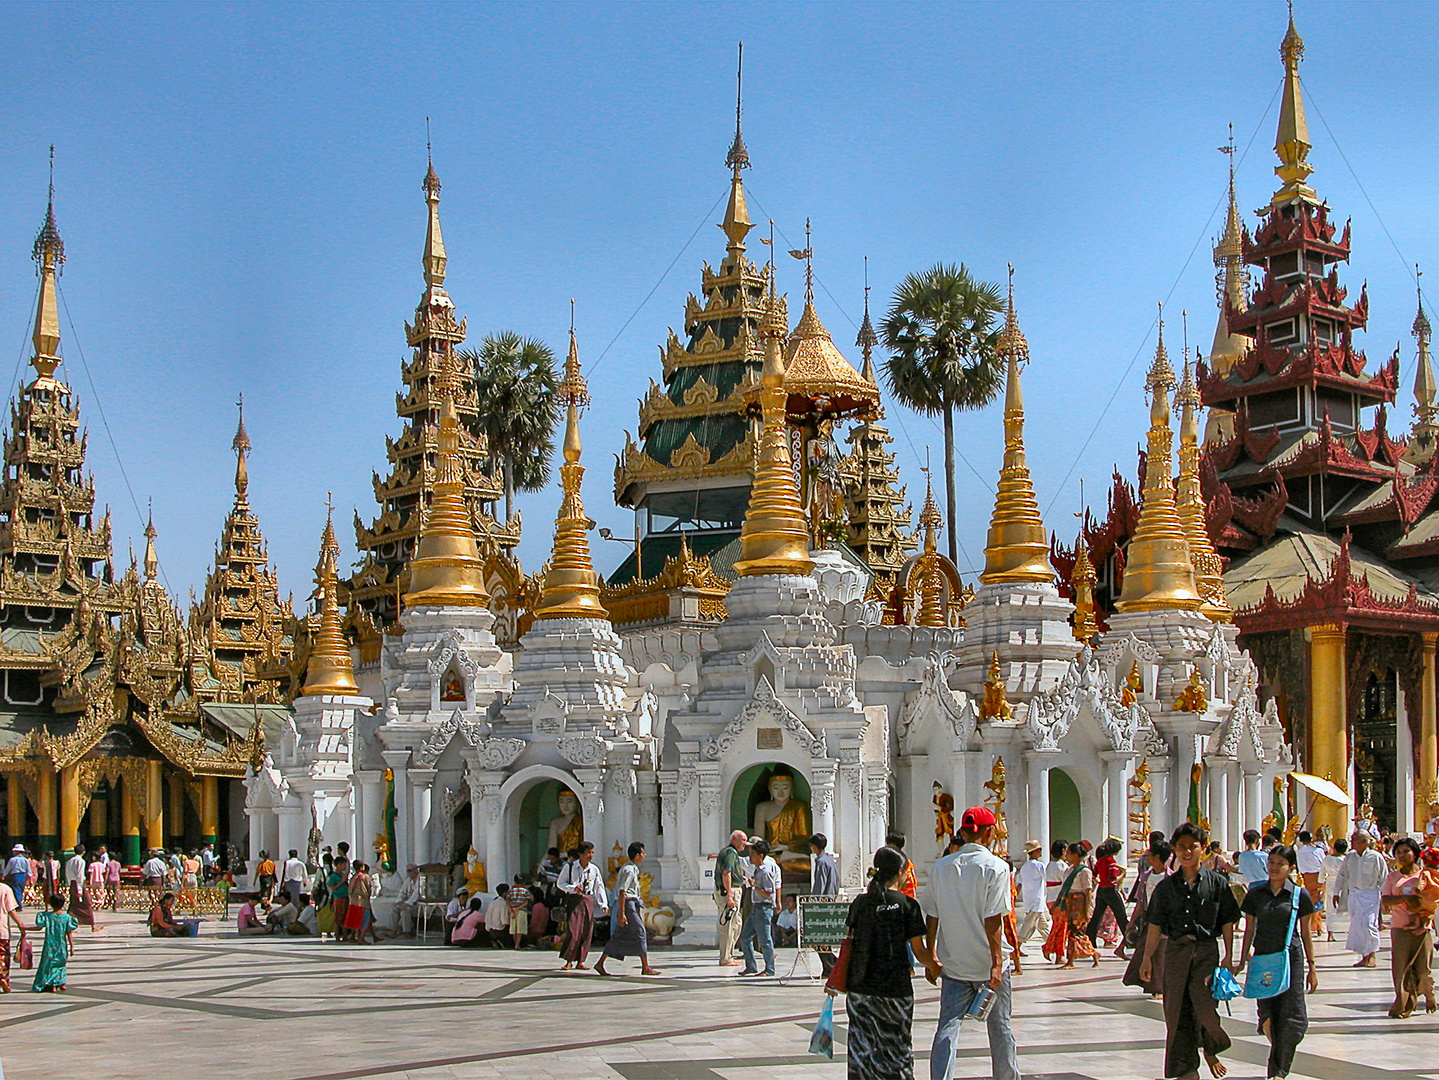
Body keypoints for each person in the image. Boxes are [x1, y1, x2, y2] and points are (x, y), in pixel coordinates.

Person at [1140, 822, 1240, 1080]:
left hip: (1205, 951)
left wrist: (1230, 955)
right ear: (1174, 849)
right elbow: (1155, 925)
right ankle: (1186, 1069)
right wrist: (1147, 958)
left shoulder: (1217, 883)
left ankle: (1211, 1045)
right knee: (1177, 1011)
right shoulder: (1166, 888)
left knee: (1205, 1004)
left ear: (1203, 849)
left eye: (1192, 847)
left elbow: (1228, 920)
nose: (1187, 852)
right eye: (1181, 847)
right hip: (1176, 951)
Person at [925, 805, 1018, 1080]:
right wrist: (997, 963)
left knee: (947, 1027)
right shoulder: (997, 868)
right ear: (989, 832)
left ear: (963, 832)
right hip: (988, 965)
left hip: (954, 963)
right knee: (1000, 1028)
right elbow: (993, 920)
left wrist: (931, 957)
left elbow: (932, 915)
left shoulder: (941, 868)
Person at [835, 846, 941, 1080]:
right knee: (896, 1049)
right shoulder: (907, 905)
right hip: (894, 990)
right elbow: (918, 950)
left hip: (860, 989)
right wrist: (935, 966)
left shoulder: (860, 903)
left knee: (862, 1050)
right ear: (901, 872)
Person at [1236, 844, 1317, 1080]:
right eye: (1271, 862)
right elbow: (1249, 929)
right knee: (1268, 1016)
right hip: (1263, 958)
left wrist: (1312, 966)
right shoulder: (1256, 893)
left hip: (1290, 957)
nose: (1274, 867)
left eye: (1280, 864)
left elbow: (1307, 933)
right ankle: (1277, 1063)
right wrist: (1242, 960)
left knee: (1291, 1016)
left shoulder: (1299, 895)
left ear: (1290, 867)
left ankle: (1278, 1071)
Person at [1380, 836, 1438, 1018]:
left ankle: (1429, 995)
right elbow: (1386, 899)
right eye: (1398, 852)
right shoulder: (1392, 877)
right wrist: (1405, 899)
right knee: (1401, 967)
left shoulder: (1424, 875)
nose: (1401, 855)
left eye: (1406, 852)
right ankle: (1404, 1004)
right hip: (1400, 927)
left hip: (1422, 928)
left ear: (1415, 854)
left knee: (1422, 968)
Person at [597, 842, 659, 976]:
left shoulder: (632, 868)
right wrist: (622, 913)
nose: (644, 856)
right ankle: (645, 966)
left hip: (631, 904)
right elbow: (622, 891)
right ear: (637, 856)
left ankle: (600, 963)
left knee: (620, 934)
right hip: (628, 904)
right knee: (641, 932)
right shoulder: (629, 870)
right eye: (642, 853)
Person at [1123, 841, 1172, 995]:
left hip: (1166, 922)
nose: (1147, 858)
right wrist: (1132, 921)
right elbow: (1140, 900)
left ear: (1157, 857)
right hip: (1149, 919)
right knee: (1146, 952)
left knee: (1160, 954)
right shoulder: (1146, 876)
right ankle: (1147, 983)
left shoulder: (1171, 877)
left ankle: (1159, 988)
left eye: (1149, 855)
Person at [1336, 829, 1388, 968]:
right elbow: (1342, 875)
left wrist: (1386, 897)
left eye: (1355, 840)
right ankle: (1364, 955)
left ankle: (1372, 955)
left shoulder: (1376, 857)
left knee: (1369, 924)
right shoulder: (1350, 857)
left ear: (1364, 842)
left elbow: (1384, 878)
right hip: (1354, 895)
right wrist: (1337, 892)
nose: (1352, 842)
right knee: (1358, 926)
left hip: (1370, 895)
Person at [1042, 842, 1098, 969]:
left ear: (1076, 855)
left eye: (1069, 854)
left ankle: (1072, 960)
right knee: (1072, 932)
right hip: (1069, 902)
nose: (1067, 856)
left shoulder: (1084, 871)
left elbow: (1087, 892)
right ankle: (1091, 954)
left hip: (1079, 902)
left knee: (1075, 932)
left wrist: (1087, 909)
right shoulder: (1069, 870)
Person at [556, 841, 606, 970]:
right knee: (574, 930)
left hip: (587, 899)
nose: (590, 855)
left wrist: (603, 904)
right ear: (580, 854)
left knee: (586, 931)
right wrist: (573, 888)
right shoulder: (570, 867)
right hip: (574, 899)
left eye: (592, 852)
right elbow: (560, 883)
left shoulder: (594, 869)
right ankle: (569, 959)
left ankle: (581, 960)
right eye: (587, 853)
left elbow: (598, 886)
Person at [739, 838, 780, 977]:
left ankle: (770, 969)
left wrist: (755, 886)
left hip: (764, 908)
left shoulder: (766, 871)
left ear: (760, 856)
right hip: (756, 907)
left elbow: (769, 892)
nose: (750, 856)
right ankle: (751, 966)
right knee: (745, 937)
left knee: (765, 939)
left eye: (753, 854)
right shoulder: (757, 871)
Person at [27, 893, 76, 992]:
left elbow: (38, 927)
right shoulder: (67, 918)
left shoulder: (47, 917)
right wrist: (72, 946)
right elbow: (69, 932)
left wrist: (25, 928)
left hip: (49, 944)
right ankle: (60, 982)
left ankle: (52, 983)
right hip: (61, 945)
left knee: (49, 963)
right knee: (60, 963)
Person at [1087, 837, 1128, 953]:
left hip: (1101, 890)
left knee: (1097, 916)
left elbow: (1094, 874)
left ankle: (1090, 937)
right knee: (1121, 916)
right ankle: (1129, 938)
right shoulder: (1111, 862)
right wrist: (1122, 876)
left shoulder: (1100, 861)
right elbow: (1113, 878)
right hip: (1111, 891)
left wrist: (1100, 881)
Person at [714, 829, 746, 968]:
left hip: (731, 889)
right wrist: (730, 895)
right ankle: (725, 957)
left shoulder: (727, 852)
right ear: (734, 840)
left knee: (736, 923)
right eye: (743, 840)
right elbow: (726, 873)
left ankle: (729, 955)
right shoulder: (731, 853)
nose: (745, 844)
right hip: (730, 891)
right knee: (729, 925)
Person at [810, 832, 840, 974]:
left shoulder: (821, 862)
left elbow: (820, 884)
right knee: (823, 937)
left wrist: (813, 902)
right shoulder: (830, 861)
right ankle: (832, 963)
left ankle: (830, 965)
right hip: (831, 899)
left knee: (816, 937)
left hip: (822, 902)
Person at [1014, 839, 1051, 948]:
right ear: (1034, 852)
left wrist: (1014, 897)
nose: (1040, 851)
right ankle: (1017, 946)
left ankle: (1052, 945)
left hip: (1030, 901)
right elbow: (1047, 879)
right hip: (1037, 901)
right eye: (1039, 850)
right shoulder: (1039, 866)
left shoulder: (1024, 867)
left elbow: (1019, 884)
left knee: (1042, 926)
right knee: (1028, 926)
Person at [1295, 831, 1327, 939]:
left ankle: (1314, 925)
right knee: (1317, 900)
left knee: (1311, 900)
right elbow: (1324, 863)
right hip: (1317, 876)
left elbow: (1299, 865)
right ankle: (1315, 926)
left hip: (1306, 877)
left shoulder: (1299, 852)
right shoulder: (1318, 850)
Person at [0, 876, 28, 993]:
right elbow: (11, 910)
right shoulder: (5, 889)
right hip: (1, 929)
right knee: (3, 955)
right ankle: (3, 978)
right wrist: (20, 924)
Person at [64, 843, 95, 932]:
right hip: (78, 884)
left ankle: (70, 924)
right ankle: (92, 925)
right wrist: (80, 889)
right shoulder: (81, 861)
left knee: (73, 905)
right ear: (83, 852)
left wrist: (70, 884)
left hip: (72, 884)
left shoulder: (69, 861)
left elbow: (67, 874)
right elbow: (80, 875)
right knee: (86, 904)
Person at [1321, 838, 1347, 943]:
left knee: (1330, 909)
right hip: (1343, 884)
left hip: (1331, 883)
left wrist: (1321, 882)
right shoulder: (1345, 860)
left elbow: (1321, 874)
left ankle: (1330, 933)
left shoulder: (1327, 859)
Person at [347, 861, 375, 944]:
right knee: (365, 920)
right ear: (362, 867)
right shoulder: (365, 877)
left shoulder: (353, 877)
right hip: (363, 901)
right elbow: (369, 889)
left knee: (357, 920)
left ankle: (356, 936)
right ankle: (361, 938)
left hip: (353, 901)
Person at [391, 864, 422, 936]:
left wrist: (407, 903)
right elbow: (402, 893)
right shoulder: (408, 881)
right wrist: (399, 901)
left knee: (405, 910)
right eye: (408, 871)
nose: (409, 873)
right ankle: (394, 930)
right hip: (409, 903)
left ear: (415, 871)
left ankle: (406, 932)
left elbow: (416, 894)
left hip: (419, 905)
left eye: (410, 871)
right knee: (395, 908)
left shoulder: (421, 880)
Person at [327, 856, 350, 943]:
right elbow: (332, 887)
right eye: (343, 864)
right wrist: (342, 881)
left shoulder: (342, 875)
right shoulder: (333, 876)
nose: (344, 866)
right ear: (339, 865)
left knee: (344, 917)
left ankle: (344, 935)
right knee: (338, 917)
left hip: (345, 896)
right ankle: (337, 935)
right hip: (338, 897)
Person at [507, 875, 532, 949]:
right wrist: (518, 908)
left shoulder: (511, 891)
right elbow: (526, 902)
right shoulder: (525, 891)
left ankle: (516, 943)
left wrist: (511, 911)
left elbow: (507, 902)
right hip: (521, 911)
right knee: (520, 929)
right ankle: (517, 944)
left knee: (514, 929)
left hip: (513, 910)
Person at [4, 845, 29, 909]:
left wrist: (3, 875)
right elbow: (29, 870)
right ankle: (19, 903)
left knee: (16, 890)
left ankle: (18, 905)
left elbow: (8, 869)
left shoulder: (12, 860)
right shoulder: (25, 860)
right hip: (23, 876)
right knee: (20, 890)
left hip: (15, 876)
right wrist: (28, 879)